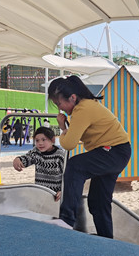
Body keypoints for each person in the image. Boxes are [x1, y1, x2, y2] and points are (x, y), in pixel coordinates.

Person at [49, 75, 131, 238]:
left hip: (113, 151)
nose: (60, 108)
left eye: (59, 103)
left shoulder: (82, 109)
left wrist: (62, 128)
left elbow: (69, 143)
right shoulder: (85, 106)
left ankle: (67, 219)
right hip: (117, 151)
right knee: (98, 201)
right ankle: (106, 238)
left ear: (72, 98)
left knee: (75, 166)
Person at [12, 127, 65, 201]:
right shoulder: (36, 152)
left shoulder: (60, 155)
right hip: (40, 193)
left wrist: (63, 190)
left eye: (43, 140)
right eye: (37, 140)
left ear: (52, 140)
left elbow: (69, 175)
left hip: (56, 195)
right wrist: (18, 159)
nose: (40, 143)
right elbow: (27, 158)